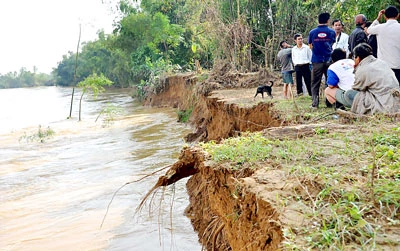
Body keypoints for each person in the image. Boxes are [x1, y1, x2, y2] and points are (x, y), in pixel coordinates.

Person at [350, 43, 400, 115]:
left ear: (357, 58)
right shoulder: (381, 62)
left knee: (350, 94)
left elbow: (357, 88)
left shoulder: (363, 69)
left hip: (383, 105)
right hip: (396, 102)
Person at [308, 12, 336, 108]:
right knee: (330, 82)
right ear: (328, 20)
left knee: (315, 82)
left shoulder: (312, 32)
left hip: (316, 60)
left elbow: (310, 46)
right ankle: (329, 102)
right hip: (328, 60)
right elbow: (332, 44)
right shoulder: (332, 32)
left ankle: (315, 104)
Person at [366, 6, 400, 84]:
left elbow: (368, 30)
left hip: (384, 66)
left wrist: (378, 18)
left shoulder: (380, 28)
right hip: (398, 65)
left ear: (385, 16)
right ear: (398, 15)